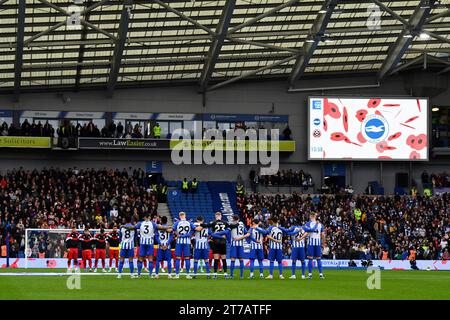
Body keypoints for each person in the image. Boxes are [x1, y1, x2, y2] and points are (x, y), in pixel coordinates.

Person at [212, 215, 247, 279]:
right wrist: (241, 237)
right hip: (241, 244)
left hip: (234, 244)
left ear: (233, 219)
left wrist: (217, 233)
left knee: (233, 259)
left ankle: (231, 275)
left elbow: (226, 231)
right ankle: (241, 276)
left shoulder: (232, 224)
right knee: (241, 259)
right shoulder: (242, 224)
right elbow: (246, 233)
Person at [202, 212, 229, 279]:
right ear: (221, 216)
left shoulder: (213, 222)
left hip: (215, 241)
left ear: (215, 216)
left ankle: (215, 274)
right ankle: (225, 273)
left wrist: (200, 224)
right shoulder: (225, 222)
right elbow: (228, 231)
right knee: (223, 259)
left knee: (216, 259)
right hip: (223, 241)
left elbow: (206, 226)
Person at [172, 212, 196, 279]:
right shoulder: (189, 223)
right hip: (187, 242)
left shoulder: (177, 223)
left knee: (178, 258)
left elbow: (173, 230)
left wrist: (177, 234)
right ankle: (187, 274)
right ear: (185, 215)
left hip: (179, 242)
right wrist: (187, 235)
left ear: (179, 216)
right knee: (187, 258)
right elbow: (194, 230)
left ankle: (177, 275)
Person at [304, 212, 325, 279]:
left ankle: (310, 275)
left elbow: (306, 233)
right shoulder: (320, 225)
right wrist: (323, 243)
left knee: (310, 258)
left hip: (311, 243)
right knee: (318, 258)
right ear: (315, 216)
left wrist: (302, 238)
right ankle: (321, 274)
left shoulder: (308, 224)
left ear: (311, 216)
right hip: (318, 243)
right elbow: (323, 235)